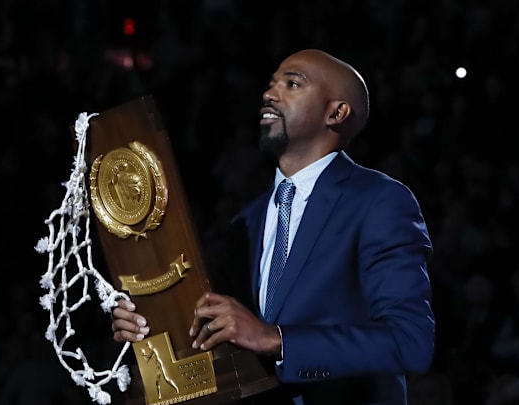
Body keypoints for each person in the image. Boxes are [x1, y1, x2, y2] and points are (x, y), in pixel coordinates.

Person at [111, 48, 435, 404]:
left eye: (292, 83)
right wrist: (153, 328)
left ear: (336, 112)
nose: (269, 93)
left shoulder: (379, 200)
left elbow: (410, 342)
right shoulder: (245, 223)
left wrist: (278, 340)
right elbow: (224, 340)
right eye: (270, 84)